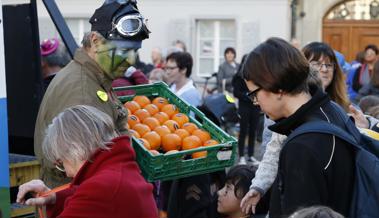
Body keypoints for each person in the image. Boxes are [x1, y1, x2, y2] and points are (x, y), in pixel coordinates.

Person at [34, 0, 150, 188]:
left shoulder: (95, 77)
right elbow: (84, 170)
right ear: (95, 42)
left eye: (135, 51)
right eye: (123, 50)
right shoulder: (82, 92)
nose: (131, 60)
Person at [241, 37, 354, 217]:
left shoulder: (301, 146)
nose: (255, 102)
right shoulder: (331, 110)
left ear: (277, 87)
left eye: (255, 94)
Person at [18, 105, 158, 217]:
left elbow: (95, 198)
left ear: (75, 149)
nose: (67, 174)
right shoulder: (118, 171)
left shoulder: (102, 187)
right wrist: (55, 198)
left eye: (62, 162)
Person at [232, 55, 260, 165]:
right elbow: (236, 92)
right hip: (244, 106)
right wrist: (246, 95)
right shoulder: (239, 76)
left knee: (253, 130)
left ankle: (251, 155)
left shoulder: (257, 76)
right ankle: (242, 156)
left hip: (255, 106)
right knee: (243, 131)